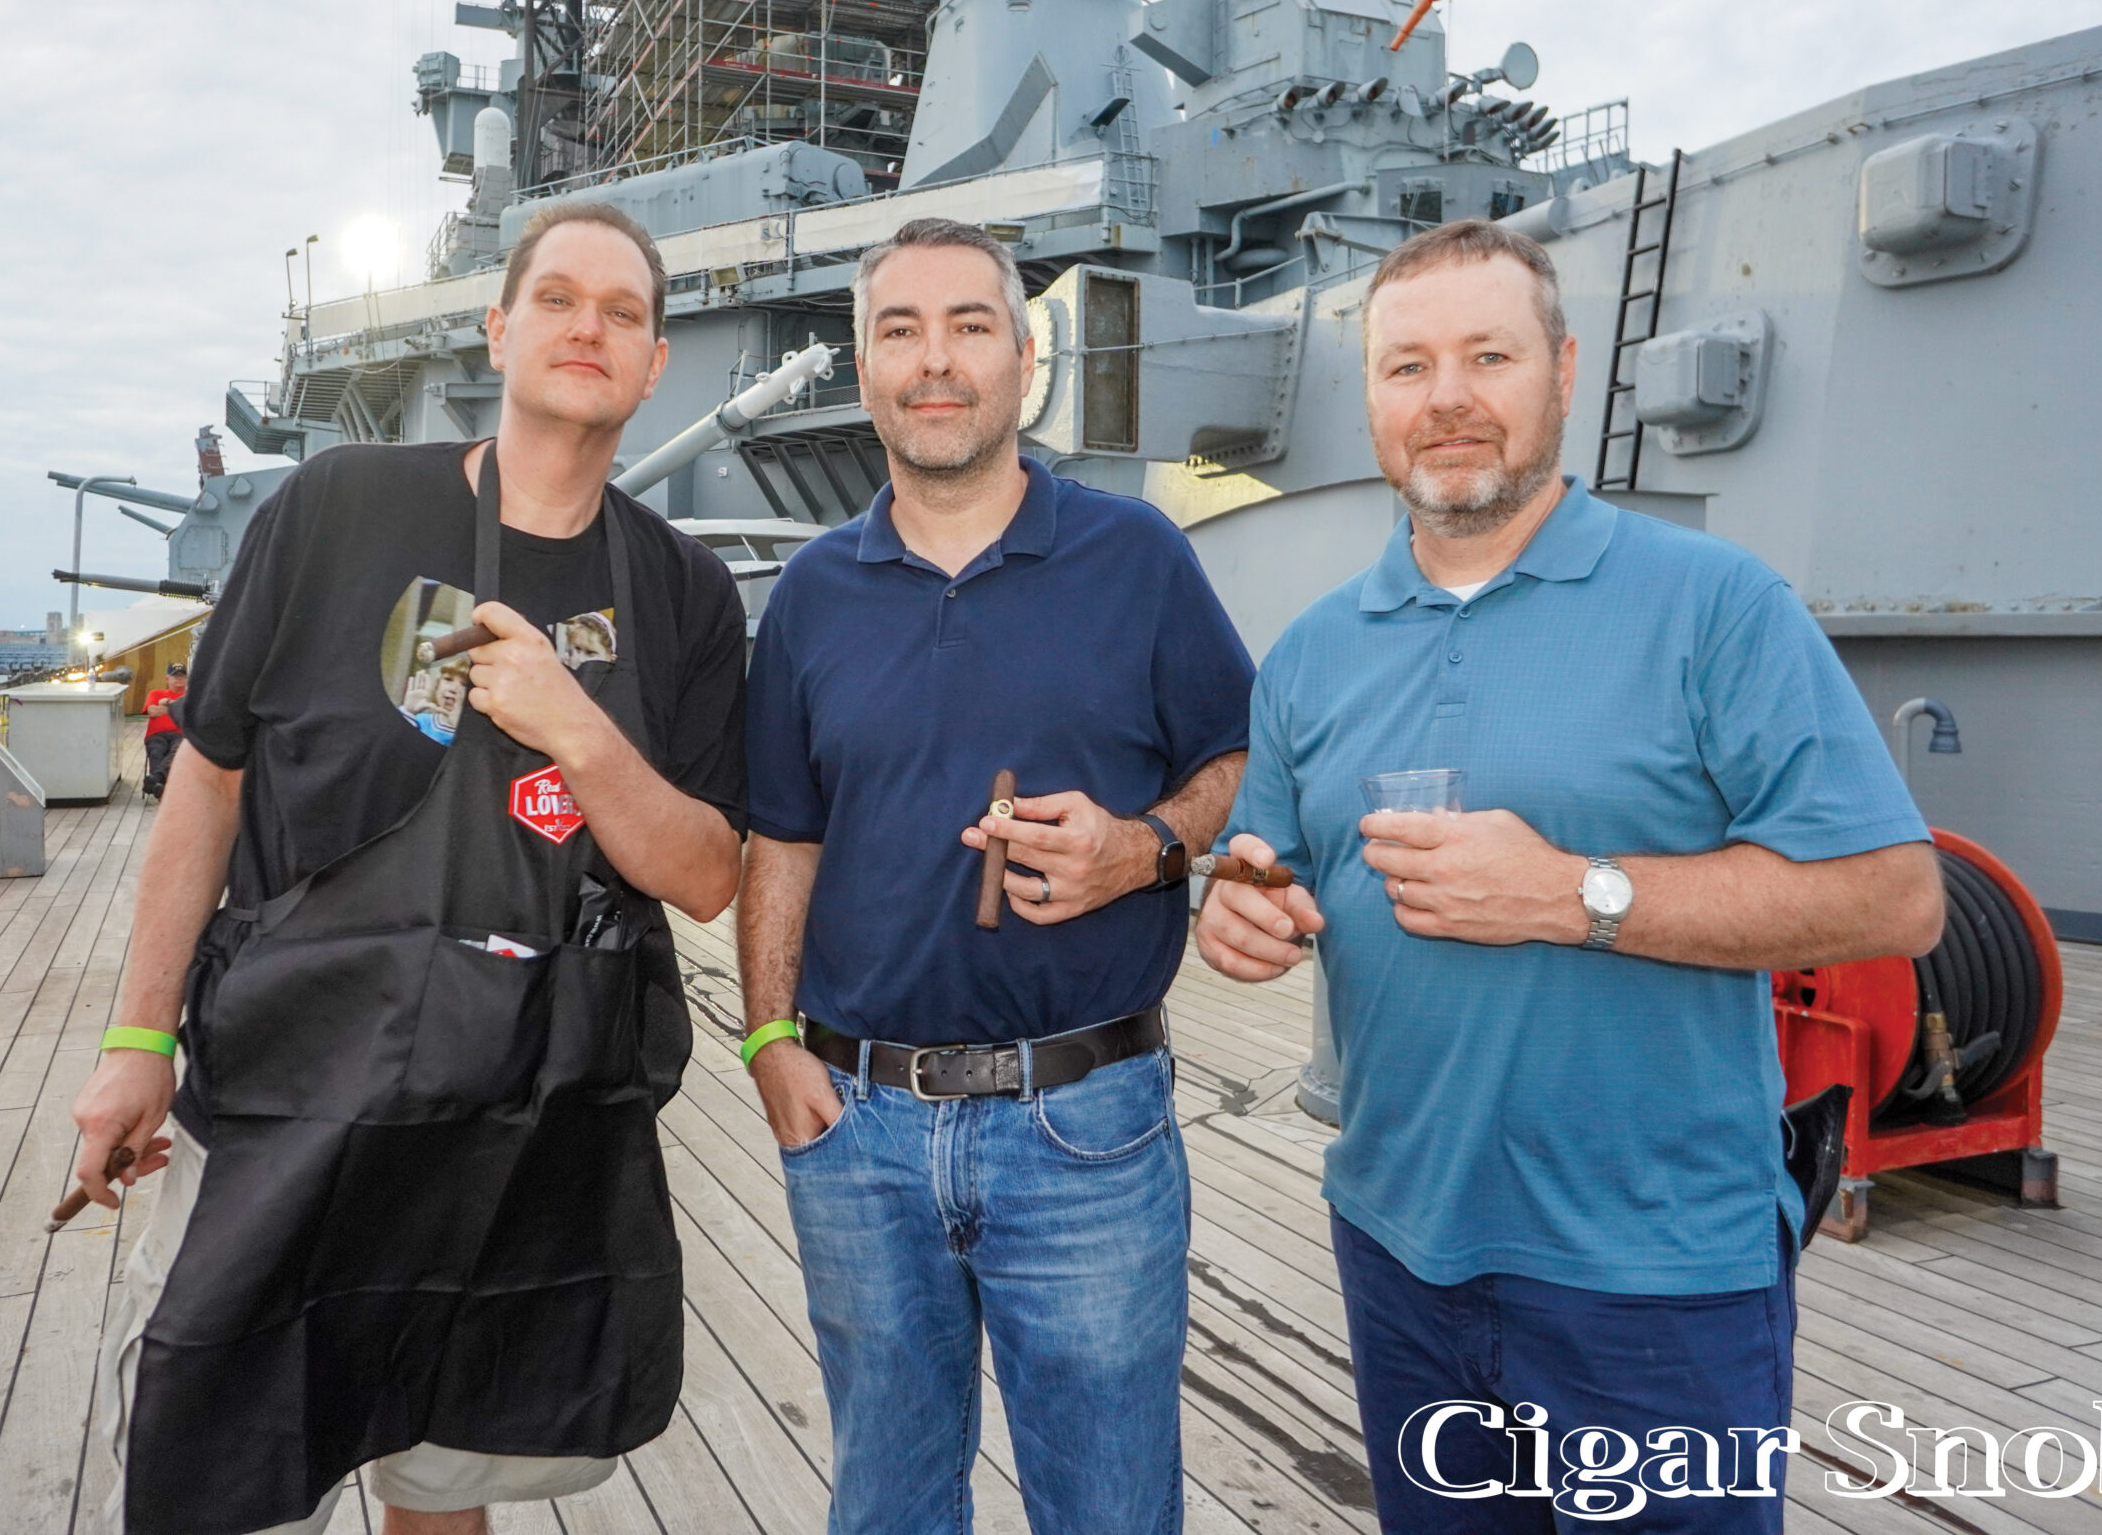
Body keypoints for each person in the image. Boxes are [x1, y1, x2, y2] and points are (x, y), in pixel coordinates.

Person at [1197, 219, 1945, 1532]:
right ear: (1368, 394)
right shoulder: (1311, 654)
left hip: (1657, 1277)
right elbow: (1271, 861)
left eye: (1489, 354)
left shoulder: (1717, 605)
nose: (1447, 399)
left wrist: (1576, 894)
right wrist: (1243, 906)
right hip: (1399, 1251)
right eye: (1407, 365)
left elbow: (1895, 893)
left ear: (1563, 368)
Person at [70, 201, 750, 1535]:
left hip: (521, 1129)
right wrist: (138, 1034)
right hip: (292, 1092)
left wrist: (571, 721)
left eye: (623, 311)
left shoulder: (683, 591)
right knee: (210, 1462)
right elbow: (208, 779)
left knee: (443, 1483)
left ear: (657, 361)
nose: (588, 328)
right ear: (499, 330)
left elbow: (709, 869)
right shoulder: (336, 507)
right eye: (558, 297)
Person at [739, 217, 1257, 1534]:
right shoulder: (809, 595)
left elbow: (1242, 756)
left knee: (1111, 1508)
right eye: (900, 329)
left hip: (1086, 1123)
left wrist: (1145, 847)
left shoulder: (1138, 555)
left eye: (971, 325)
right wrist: (765, 1042)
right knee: (890, 1506)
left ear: (1025, 359)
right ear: (863, 370)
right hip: (859, 1127)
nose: (937, 360)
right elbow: (782, 836)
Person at [140, 663, 187, 798]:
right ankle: (160, 785)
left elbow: (193, 713)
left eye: (182, 676)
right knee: (156, 751)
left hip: (180, 734)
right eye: (175, 676)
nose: (179, 680)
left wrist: (167, 706)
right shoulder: (156, 693)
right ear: (167, 679)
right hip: (156, 735)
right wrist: (177, 709)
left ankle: (155, 781)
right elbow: (152, 711)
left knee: (178, 749)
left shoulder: (190, 695)